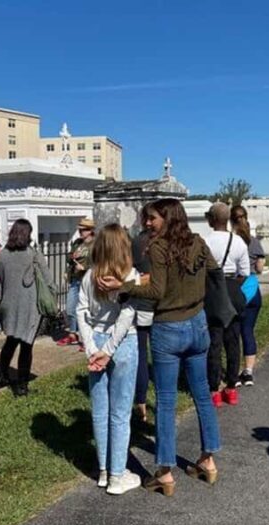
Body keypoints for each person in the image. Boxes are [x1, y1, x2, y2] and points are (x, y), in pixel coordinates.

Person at [98, 198, 221, 497]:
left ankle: (165, 472)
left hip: (169, 327)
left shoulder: (158, 248)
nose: (147, 223)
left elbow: (156, 291)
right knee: (202, 392)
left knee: (166, 400)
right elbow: (213, 271)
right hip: (198, 322)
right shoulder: (198, 242)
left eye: (152, 218)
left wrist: (123, 287)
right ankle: (208, 459)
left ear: (167, 217)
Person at [77, 223, 141, 495]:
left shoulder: (90, 276)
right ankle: (116, 473)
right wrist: (109, 349)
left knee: (101, 409)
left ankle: (104, 469)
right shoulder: (129, 276)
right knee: (120, 411)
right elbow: (127, 315)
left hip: (97, 340)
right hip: (121, 342)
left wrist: (92, 347)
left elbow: (80, 312)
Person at [0, 219, 55, 397]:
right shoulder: (34, 255)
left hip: (8, 306)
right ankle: (21, 385)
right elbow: (48, 280)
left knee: (11, 341)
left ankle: (2, 376)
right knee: (26, 345)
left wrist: (0, 304)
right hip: (30, 306)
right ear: (28, 234)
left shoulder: (1, 256)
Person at [205, 202, 250, 406]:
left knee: (214, 342)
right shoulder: (238, 241)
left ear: (212, 219)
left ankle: (214, 390)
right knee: (233, 341)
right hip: (233, 287)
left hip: (213, 291)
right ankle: (231, 387)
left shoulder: (206, 242)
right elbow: (245, 273)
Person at [231, 205, 266, 386]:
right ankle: (249, 371)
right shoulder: (254, 242)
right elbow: (260, 268)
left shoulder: (231, 242)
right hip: (252, 289)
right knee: (248, 331)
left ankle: (234, 371)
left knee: (234, 333)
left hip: (235, 288)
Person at [131, 204, 155, 422]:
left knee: (140, 353)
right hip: (162, 304)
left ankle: (140, 401)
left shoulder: (138, 241)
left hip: (142, 303)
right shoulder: (166, 242)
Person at [58, 218, 95, 350]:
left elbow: (99, 262)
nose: (81, 231)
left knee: (86, 309)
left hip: (89, 280)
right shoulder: (77, 243)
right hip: (75, 279)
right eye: (80, 229)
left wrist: (85, 268)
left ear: (90, 230)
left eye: (84, 229)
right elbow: (69, 258)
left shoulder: (96, 244)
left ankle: (87, 339)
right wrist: (72, 256)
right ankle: (73, 334)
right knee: (70, 307)